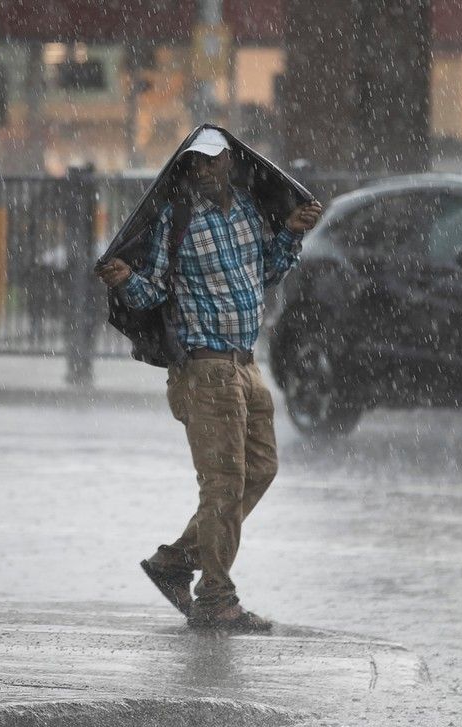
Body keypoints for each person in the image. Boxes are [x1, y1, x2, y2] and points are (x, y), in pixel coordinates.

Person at [97, 128, 322, 632]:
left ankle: (176, 561)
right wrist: (125, 280)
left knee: (260, 469)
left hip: (246, 364)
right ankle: (215, 596)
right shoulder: (175, 222)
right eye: (196, 164)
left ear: (230, 165)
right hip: (205, 369)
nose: (203, 171)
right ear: (186, 168)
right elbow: (152, 294)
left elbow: (263, 271)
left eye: (213, 162)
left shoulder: (243, 209)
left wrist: (290, 232)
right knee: (222, 485)